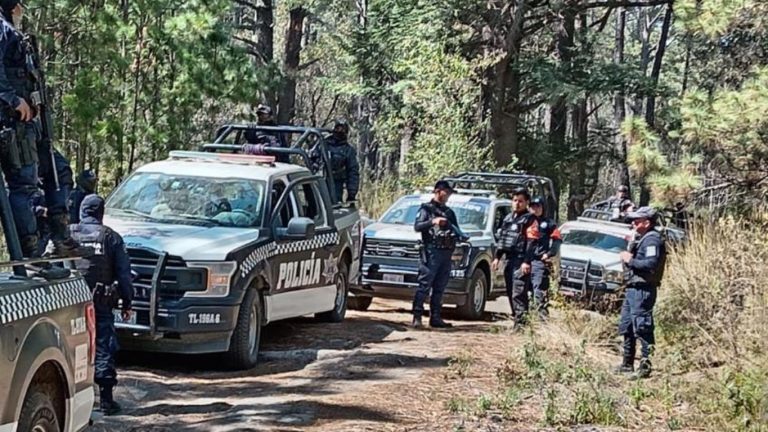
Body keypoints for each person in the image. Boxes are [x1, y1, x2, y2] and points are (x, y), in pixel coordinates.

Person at [0, 0, 82, 258]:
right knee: (23, 187)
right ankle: (30, 250)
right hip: (11, 124)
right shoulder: (3, 30)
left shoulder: (12, 32)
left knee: (59, 170)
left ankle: (59, 236)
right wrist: (13, 99)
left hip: (28, 125)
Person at [69, 194, 134, 415]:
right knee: (104, 346)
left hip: (68, 302)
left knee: (69, 347)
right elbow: (124, 275)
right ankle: (106, 401)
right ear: (101, 212)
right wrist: (128, 302)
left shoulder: (67, 234)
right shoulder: (111, 237)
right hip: (100, 303)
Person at [616, 206, 666, 380]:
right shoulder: (641, 238)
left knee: (642, 327)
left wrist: (630, 260)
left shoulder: (652, 240)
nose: (633, 223)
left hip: (643, 289)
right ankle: (627, 363)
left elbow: (650, 265)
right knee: (627, 326)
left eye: (637, 221)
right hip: (633, 288)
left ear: (647, 222)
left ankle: (645, 367)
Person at [412, 180, 468, 329]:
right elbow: (417, 227)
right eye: (446, 192)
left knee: (440, 287)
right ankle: (417, 317)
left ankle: (435, 317)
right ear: (438, 191)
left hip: (446, 253)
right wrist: (433, 221)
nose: (448, 195)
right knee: (424, 285)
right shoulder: (426, 209)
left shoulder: (449, 213)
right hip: (431, 252)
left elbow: (457, 230)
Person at [492, 188, 540, 329]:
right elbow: (503, 240)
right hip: (509, 260)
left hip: (521, 260)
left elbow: (532, 243)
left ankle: (521, 325)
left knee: (518, 293)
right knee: (510, 291)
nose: (517, 204)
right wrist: (497, 258)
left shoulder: (530, 220)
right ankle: (517, 320)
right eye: (514, 200)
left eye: (520, 201)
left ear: (526, 203)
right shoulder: (508, 218)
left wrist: (526, 262)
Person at [529, 196, 562, 320]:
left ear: (543, 208)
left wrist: (549, 254)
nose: (535, 209)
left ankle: (542, 319)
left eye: (538, 206)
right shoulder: (524, 222)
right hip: (524, 261)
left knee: (539, 290)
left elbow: (557, 240)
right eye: (532, 206)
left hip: (539, 262)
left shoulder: (549, 223)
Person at [325, 119, 359, 204]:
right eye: (338, 128)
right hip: (318, 183)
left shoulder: (348, 150)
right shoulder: (322, 145)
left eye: (342, 129)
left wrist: (352, 193)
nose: (340, 131)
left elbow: (353, 172)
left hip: (336, 186)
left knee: (333, 210)